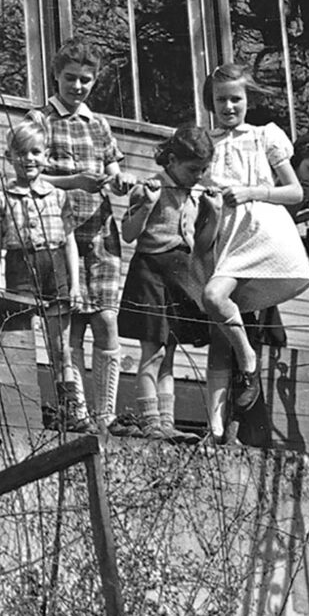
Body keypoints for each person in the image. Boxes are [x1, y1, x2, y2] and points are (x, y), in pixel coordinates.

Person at [201, 63, 309, 443]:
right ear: (210, 103)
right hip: (223, 237)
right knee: (216, 312)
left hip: (261, 232)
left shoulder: (265, 136)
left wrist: (252, 192)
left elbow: (295, 192)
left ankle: (247, 365)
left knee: (217, 301)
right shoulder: (207, 142)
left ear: (248, 100)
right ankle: (215, 428)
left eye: (236, 99)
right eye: (221, 100)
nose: (229, 106)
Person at [28, 36, 133, 432]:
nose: (77, 87)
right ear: (56, 76)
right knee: (68, 321)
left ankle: (105, 413)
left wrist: (119, 182)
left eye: (86, 80)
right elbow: (28, 175)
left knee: (107, 319)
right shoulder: (39, 120)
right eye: (70, 78)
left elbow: (113, 169)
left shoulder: (99, 125)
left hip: (101, 234)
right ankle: (76, 412)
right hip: (59, 233)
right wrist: (74, 180)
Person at [112, 126, 220, 443]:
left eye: (203, 170)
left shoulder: (196, 196)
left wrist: (212, 215)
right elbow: (129, 234)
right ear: (171, 160)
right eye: (192, 169)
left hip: (180, 276)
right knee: (152, 351)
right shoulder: (150, 188)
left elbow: (201, 245)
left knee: (169, 352)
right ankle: (150, 421)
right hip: (150, 273)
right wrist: (146, 205)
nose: (198, 176)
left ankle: (167, 422)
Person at [0, 120, 85, 429]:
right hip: (19, 267)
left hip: (53, 266)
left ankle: (68, 410)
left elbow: (69, 242)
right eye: (20, 153)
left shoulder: (57, 196)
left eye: (36, 152)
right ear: (8, 156)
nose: (28, 159)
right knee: (23, 341)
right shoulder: (1, 197)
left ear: (46, 157)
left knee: (60, 345)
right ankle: (26, 411)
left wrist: (76, 285)